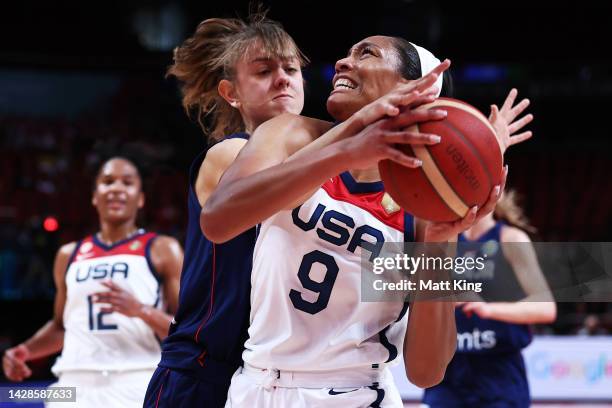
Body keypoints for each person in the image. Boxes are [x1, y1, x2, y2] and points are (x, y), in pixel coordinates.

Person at [202, 35, 533, 407]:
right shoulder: (290, 133)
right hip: (257, 387)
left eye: (367, 54)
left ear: (415, 89)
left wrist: (442, 237)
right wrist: (346, 148)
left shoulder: (422, 205)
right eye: (346, 54)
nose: (343, 62)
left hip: (357, 393)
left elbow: (426, 372)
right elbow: (217, 221)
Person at [143, 12, 307, 408]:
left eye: (291, 68)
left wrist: (451, 259)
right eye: (264, 71)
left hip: (281, 377)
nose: (283, 78)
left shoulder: (331, 165)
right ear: (231, 93)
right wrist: (371, 129)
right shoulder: (230, 153)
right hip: (204, 372)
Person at [1, 156, 183, 407]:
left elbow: (184, 330)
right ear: (95, 196)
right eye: (107, 182)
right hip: (72, 384)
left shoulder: (163, 249)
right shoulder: (68, 254)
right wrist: (26, 350)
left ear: (140, 199)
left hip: (136, 380)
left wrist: (140, 310)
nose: (117, 188)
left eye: (127, 183)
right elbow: (62, 327)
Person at [422, 190, 557, 408]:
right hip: (448, 370)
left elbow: (545, 307)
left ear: (496, 191)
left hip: (498, 373)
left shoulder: (511, 239)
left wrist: (488, 309)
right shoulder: (443, 238)